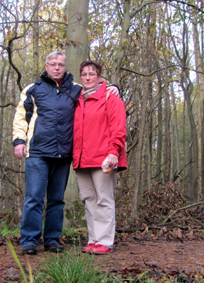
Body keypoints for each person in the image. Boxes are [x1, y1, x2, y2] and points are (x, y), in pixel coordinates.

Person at [12, 51, 119, 255]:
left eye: (61, 64)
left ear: (65, 67)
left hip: (63, 154)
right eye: (53, 64)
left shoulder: (76, 90)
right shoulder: (33, 89)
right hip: (37, 152)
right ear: (46, 66)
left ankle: (52, 239)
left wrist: (114, 87)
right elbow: (21, 117)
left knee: (57, 200)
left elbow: (95, 89)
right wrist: (19, 141)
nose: (57, 68)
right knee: (34, 197)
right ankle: (29, 240)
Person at [72, 60, 127, 255]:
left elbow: (118, 127)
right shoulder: (77, 99)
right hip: (81, 158)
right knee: (89, 199)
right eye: (84, 74)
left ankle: (105, 241)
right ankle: (94, 239)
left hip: (104, 157)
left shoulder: (110, 97)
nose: (88, 77)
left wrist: (114, 151)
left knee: (104, 199)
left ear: (99, 77)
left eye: (92, 74)